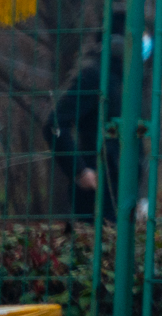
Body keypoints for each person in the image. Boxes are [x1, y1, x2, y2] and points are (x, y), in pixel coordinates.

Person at [46, 21, 120, 223]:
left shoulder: (126, 80)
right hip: (97, 187)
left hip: (121, 186)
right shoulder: (93, 76)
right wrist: (79, 170)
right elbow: (54, 124)